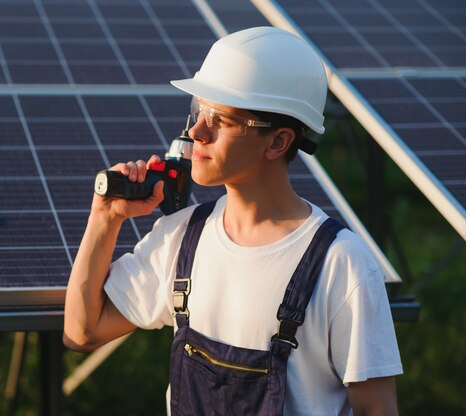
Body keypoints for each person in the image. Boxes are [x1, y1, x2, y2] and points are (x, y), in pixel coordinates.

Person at [63, 27, 402, 415]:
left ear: (278, 142)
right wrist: (104, 218)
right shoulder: (181, 238)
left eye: (220, 120)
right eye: (196, 111)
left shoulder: (341, 263)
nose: (196, 132)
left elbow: (377, 410)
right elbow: (82, 331)